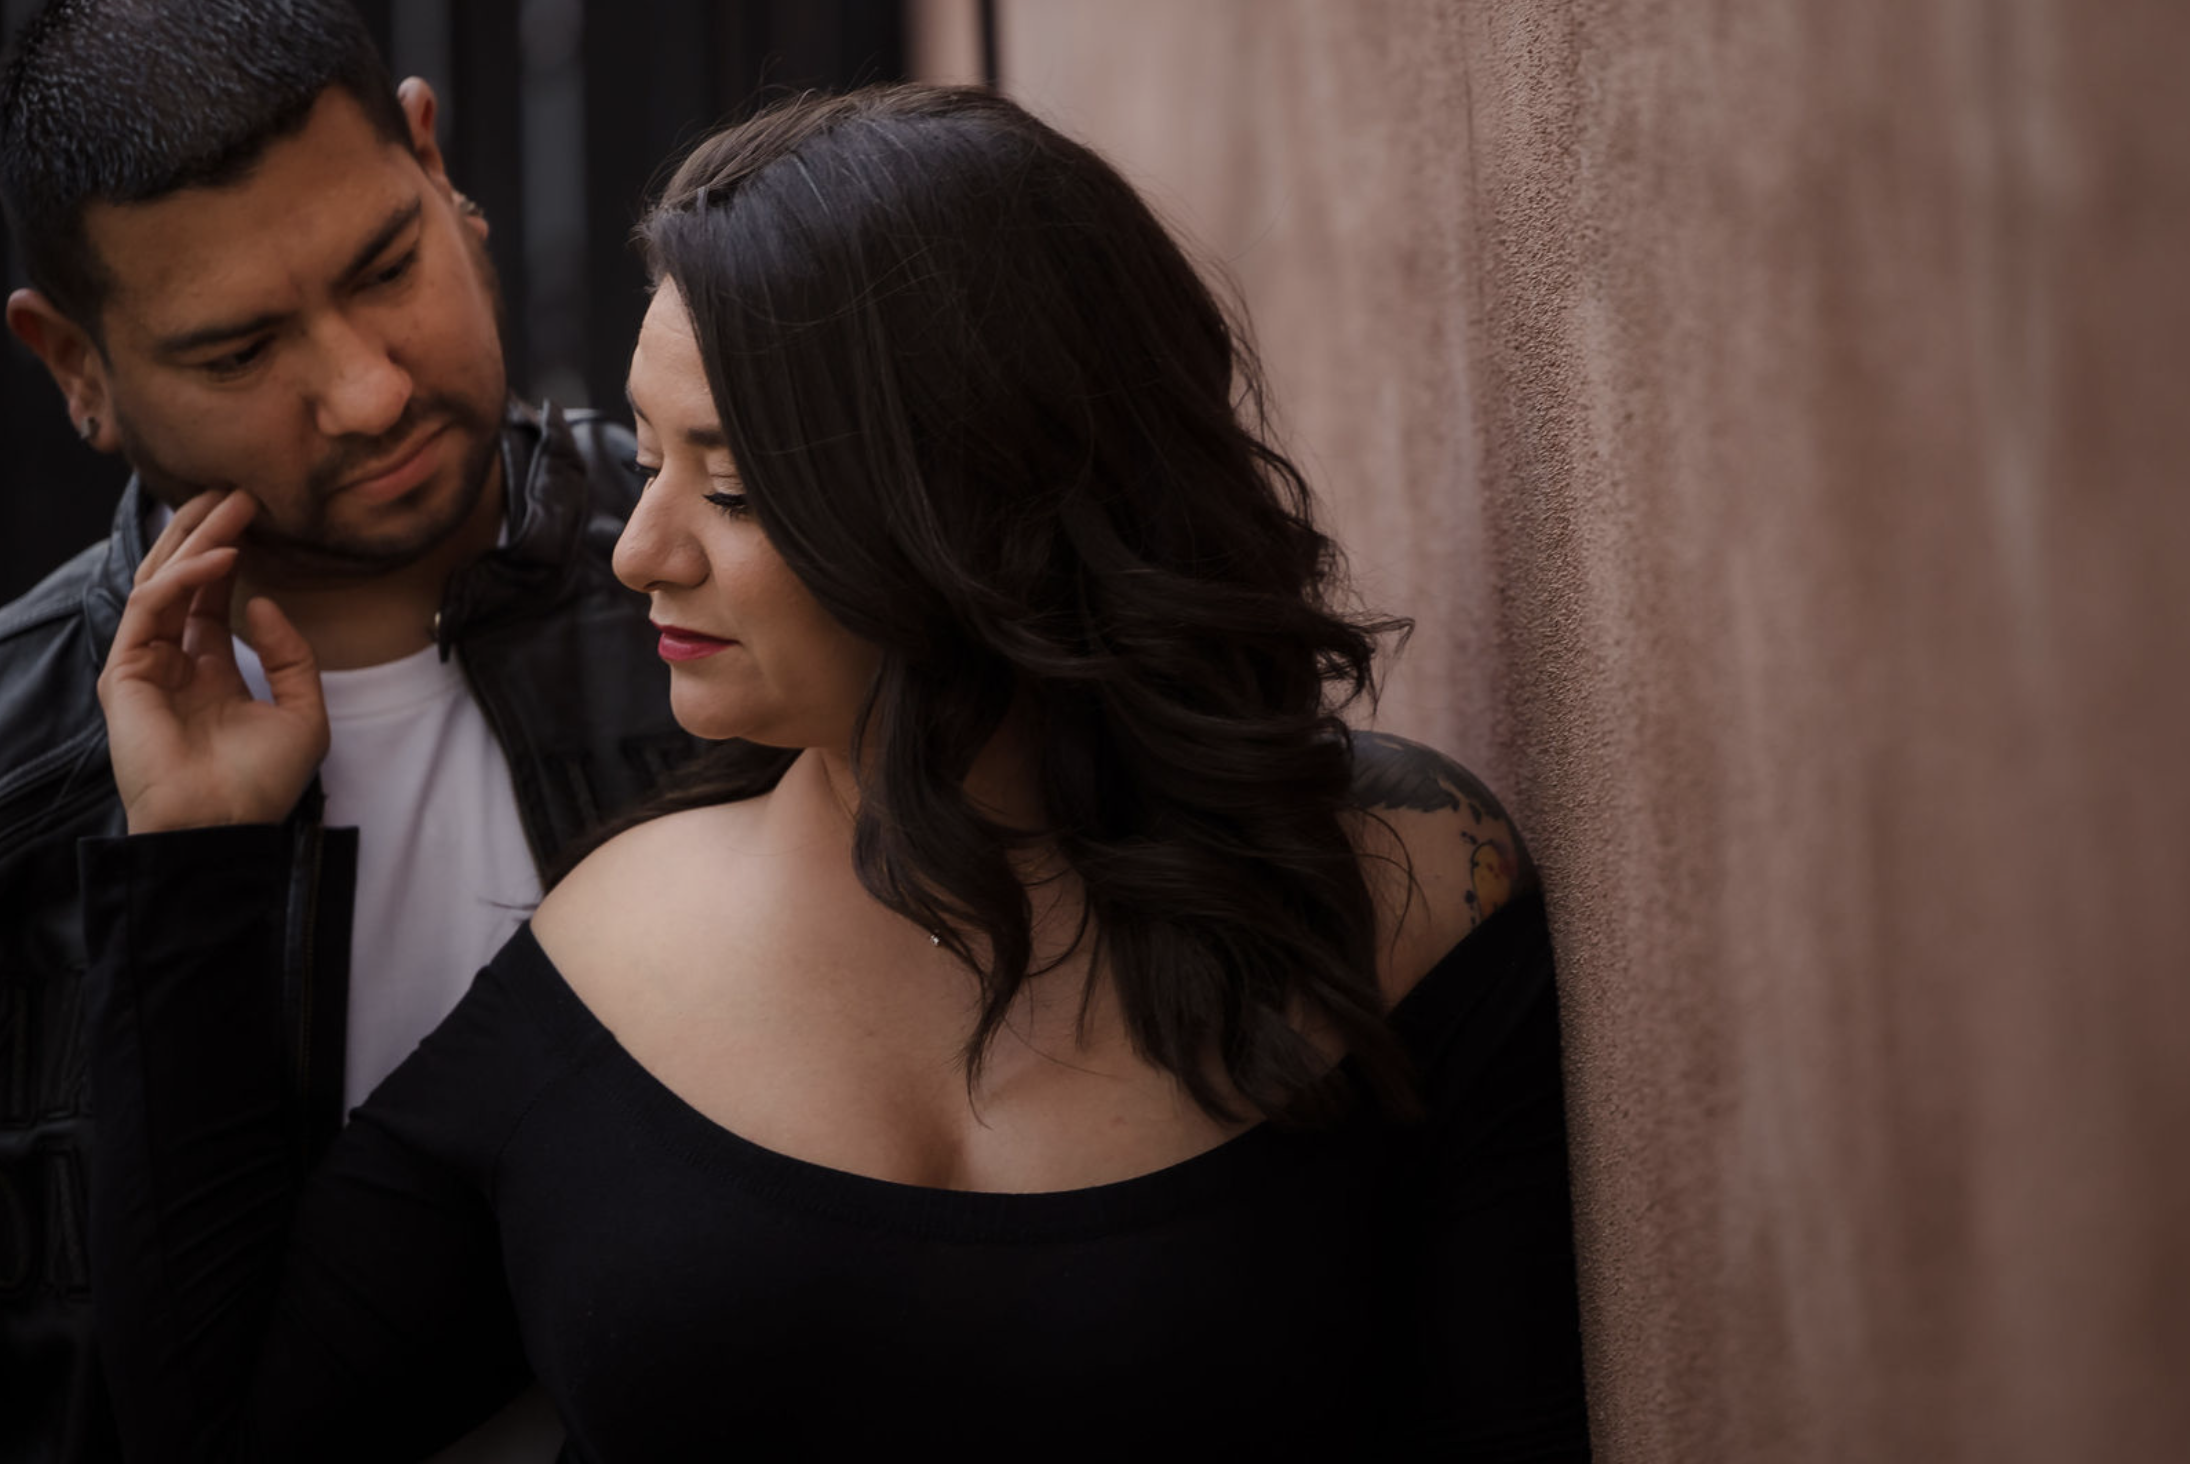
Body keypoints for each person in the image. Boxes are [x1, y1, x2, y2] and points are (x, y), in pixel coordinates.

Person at [81, 84, 1593, 1458]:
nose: (636, 548)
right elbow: (215, 1433)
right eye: (652, 459)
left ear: (974, 500)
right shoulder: (612, 953)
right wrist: (198, 863)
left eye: (727, 487)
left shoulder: (1409, 892)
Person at [0, 2, 694, 1458]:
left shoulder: (740, 597)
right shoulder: (21, 771)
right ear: (75, 364)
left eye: (388, 267)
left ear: (439, 167)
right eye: (240, 351)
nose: (370, 390)